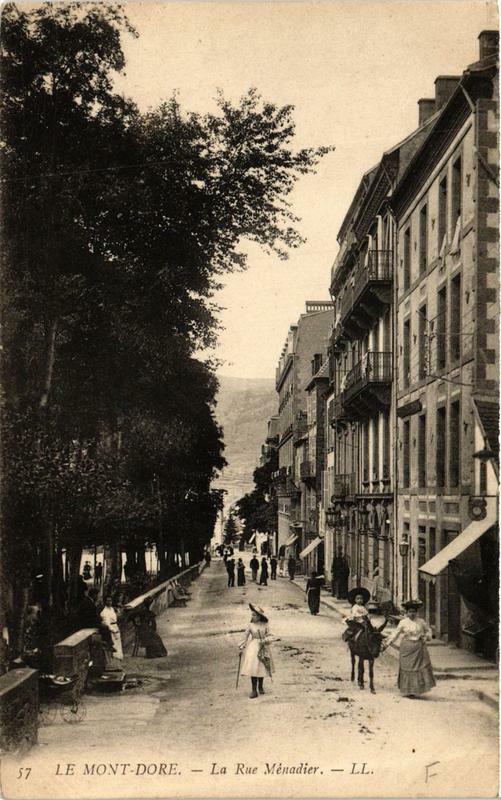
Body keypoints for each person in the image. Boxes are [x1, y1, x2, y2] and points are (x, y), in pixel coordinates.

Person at [381, 599, 436, 698]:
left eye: (414, 611)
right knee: (408, 668)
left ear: (417, 612)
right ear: (406, 612)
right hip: (406, 648)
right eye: (410, 612)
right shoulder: (403, 622)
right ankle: (409, 690)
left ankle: (416, 689)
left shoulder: (421, 622)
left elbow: (428, 630)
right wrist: (387, 643)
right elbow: (396, 633)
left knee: (418, 668)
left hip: (419, 648)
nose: (412, 614)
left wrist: (426, 636)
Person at [238, 604, 274, 698]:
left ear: (259, 616)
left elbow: (270, 635)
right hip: (253, 647)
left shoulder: (265, 625)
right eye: (252, 615)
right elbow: (245, 636)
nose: (252, 617)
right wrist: (242, 646)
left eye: (254, 615)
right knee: (253, 667)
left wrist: (265, 640)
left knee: (261, 666)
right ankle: (254, 690)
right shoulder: (250, 625)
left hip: (263, 646)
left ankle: (260, 686)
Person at [100, 595, 123, 660]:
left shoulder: (112, 609)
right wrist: (113, 630)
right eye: (107, 601)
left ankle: (118, 660)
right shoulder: (104, 612)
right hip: (111, 629)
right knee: (114, 645)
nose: (109, 602)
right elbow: (107, 623)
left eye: (110, 601)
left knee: (118, 644)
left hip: (115, 626)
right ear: (105, 602)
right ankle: (113, 661)